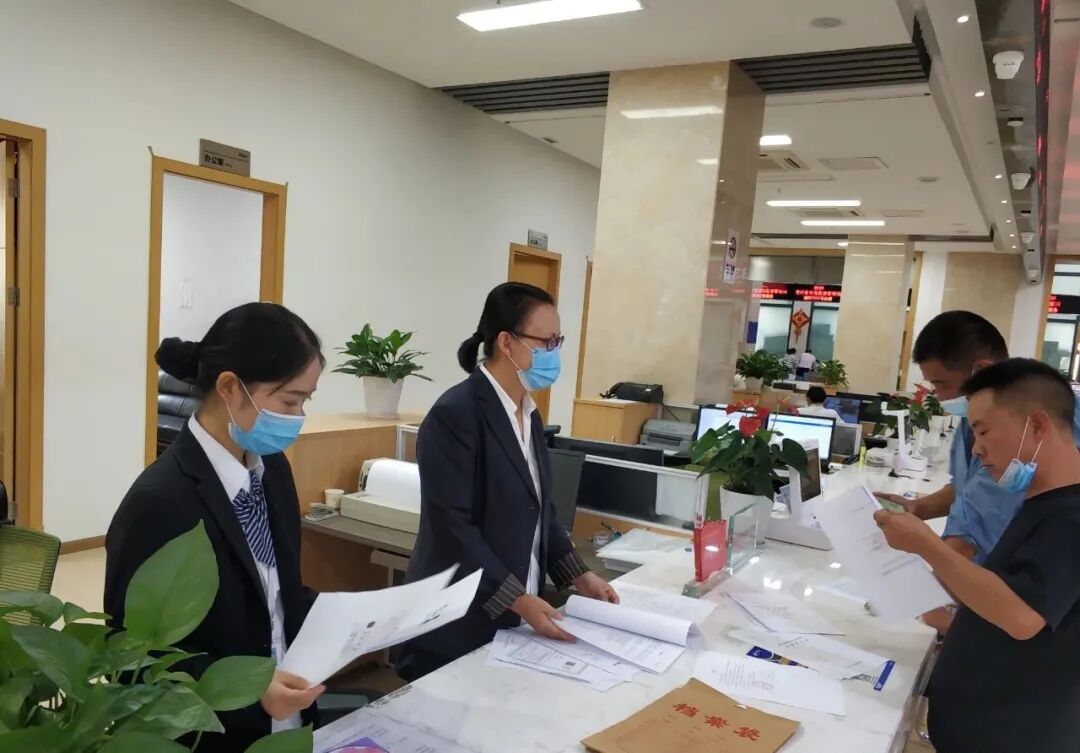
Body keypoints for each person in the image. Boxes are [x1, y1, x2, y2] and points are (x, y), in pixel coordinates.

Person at [105, 303, 325, 752]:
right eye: (289, 401)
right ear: (229, 388)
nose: (298, 416)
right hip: (214, 735)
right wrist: (249, 688)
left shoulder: (272, 470)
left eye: (305, 401)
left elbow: (276, 591)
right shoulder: (159, 502)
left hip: (289, 721)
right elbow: (128, 658)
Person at [397, 282, 619, 681]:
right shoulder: (455, 414)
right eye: (546, 342)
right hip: (458, 620)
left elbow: (541, 510)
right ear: (506, 342)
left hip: (515, 617)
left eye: (558, 341)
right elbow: (453, 530)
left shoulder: (528, 413)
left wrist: (578, 574)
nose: (554, 353)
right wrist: (516, 598)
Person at [875, 359, 1080, 753]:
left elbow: (1022, 617)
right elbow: (1005, 590)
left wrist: (926, 544)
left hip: (1015, 735)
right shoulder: (1040, 503)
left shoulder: (1070, 517)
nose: (977, 448)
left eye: (983, 431)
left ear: (1037, 426)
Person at [877, 311, 1080, 564]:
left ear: (981, 369)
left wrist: (918, 556)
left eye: (942, 385)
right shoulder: (973, 420)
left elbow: (971, 535)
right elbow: (966, 489)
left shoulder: (1031, 426)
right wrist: (918, 508)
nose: (939, 397)